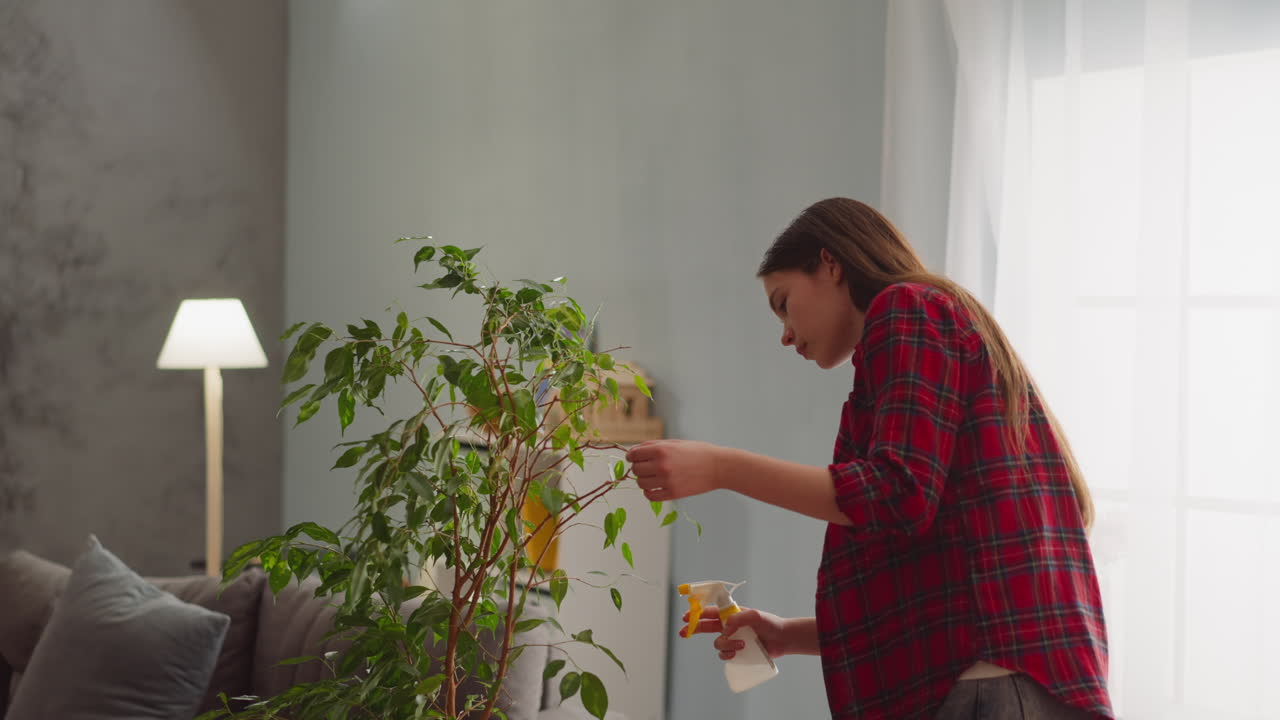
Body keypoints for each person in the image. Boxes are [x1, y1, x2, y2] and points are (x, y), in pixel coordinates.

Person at [625, 198, 1113, 719]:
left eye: (784, 302)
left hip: (990, 687)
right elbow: (934, 571)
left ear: (830, 263)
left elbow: (896, 494)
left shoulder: (908, 308)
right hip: (996, 678)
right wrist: (787, 635)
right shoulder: (922, 330)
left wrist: (722, 468)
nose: (785, 334)